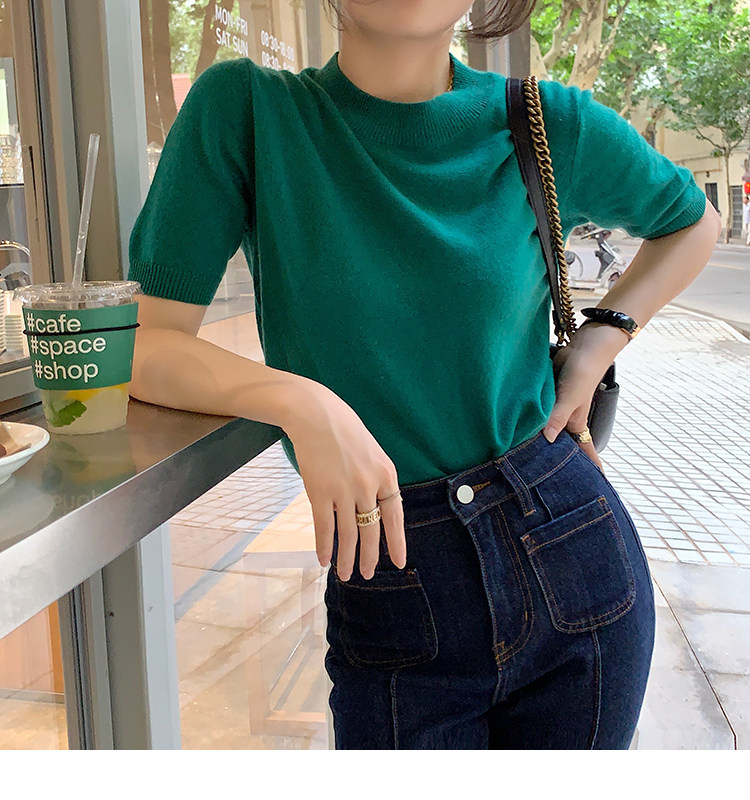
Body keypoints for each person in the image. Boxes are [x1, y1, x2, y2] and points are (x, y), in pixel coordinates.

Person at [128, 0, 721, 749]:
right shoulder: (249, 112)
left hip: (567, 541)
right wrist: (300, 402)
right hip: (392, 568)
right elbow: (142, 345)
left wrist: (599, 342)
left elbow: (693, 222)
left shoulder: (543, 121)